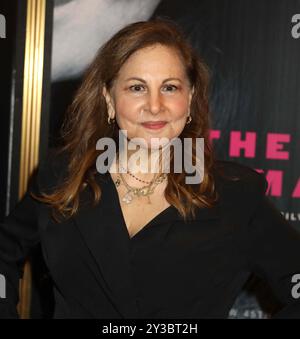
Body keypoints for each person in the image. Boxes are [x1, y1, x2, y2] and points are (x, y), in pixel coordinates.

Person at [1, 18, 300, 319]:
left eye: (170, 87)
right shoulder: (63, 176)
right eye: (136, 88)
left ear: (191, 97)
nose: (155, 106)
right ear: (108, 99)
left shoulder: (235, 195)